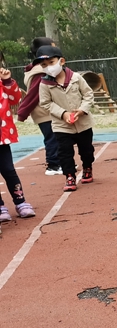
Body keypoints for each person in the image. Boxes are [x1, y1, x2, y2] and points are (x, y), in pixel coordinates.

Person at [35, 46, 96, 191]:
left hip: (83, 123)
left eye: (51, 62)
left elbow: (88, 94)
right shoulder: (44, 84)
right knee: (64, 152)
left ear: (61, 61)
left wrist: (82, 110)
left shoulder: (76, 78)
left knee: (86, 150)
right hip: (61, 125)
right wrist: (63, 114)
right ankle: (69, 175)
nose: (48, 67)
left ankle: (87, 167)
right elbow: (45, 103)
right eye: (44, 65)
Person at [16, 37, 61, 175]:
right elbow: (33, 94)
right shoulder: (40, 71)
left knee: (58, 137)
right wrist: (23, 112)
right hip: (44, 111)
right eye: (52, 46)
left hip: (49, 110)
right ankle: (53, 165)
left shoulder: (39, 69)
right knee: (52, 138)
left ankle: (60, 161)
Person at [0, 67, 36, 219]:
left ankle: (20, 202)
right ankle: (0, 207)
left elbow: (15, 99)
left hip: (1, 139)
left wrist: (7, 81)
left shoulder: (2, 84)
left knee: (9, 170)